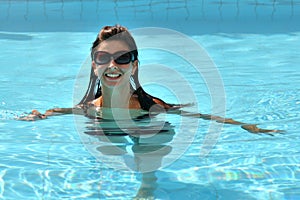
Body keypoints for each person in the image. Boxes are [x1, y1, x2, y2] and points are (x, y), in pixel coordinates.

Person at [19, 25, 282, 135]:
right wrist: (41, 115)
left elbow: (201, 117)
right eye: (103, 58)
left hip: (146, 131)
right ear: (94, 65)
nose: (112, 65)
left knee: (154, 137)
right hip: (104, 134)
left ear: (134, 66)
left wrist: (246, 126)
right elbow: (64, 111)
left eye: (122, 58)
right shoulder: (89, 109)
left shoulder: (148, 107)